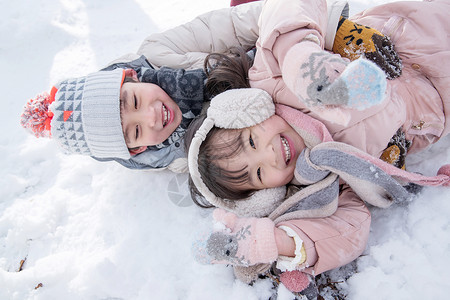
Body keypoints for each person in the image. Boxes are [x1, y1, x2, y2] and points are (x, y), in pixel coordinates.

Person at [184, 0, 450, 296]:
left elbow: (286, 10)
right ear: (265, 195)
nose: (269, 155)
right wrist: (277, 241)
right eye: (258, 173)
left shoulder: (272, 81)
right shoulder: (323, 182)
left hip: (416, 30)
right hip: (438, 102)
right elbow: (349, 228)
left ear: (248, 110)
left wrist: (300, 61)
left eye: (251, 141)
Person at [20, 0, 397, 172]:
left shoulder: (159, 53)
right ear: (138, 150)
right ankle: (381, 139)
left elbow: (242, 23)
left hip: (270, 54)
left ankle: (328, 56)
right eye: (136, 131)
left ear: (131, 77)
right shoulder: (172, 157)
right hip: (278, 111)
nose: (150, 116)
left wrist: (324, 30)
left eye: (133, 101)